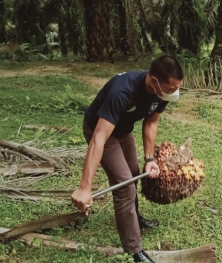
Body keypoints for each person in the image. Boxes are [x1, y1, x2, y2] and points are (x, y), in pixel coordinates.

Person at [71, 54, 184, 262]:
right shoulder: (122, 91)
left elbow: (151, 122)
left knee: (133, 174)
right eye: (171, 88)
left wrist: (150, 159)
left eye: (177, 88)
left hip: (124, 130)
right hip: (101, 131)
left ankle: (134, 219)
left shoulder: (162, 93)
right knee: (125, 185)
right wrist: (85, 187)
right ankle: (134, 250)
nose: (175, 92)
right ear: (154, 80)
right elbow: (99, 138)